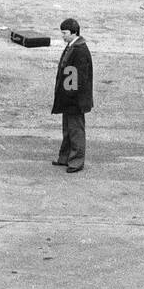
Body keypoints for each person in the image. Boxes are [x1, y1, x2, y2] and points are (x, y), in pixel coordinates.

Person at [51, 18, 93, 173]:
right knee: (68, 130)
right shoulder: (73, 46)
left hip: (74, 100)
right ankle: (65, 158)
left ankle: (76, 162)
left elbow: (78, 78)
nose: (63, 36)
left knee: (75, 130)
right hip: (69, 98)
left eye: (65, 33)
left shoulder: (79, 50)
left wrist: (68, 96)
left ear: (73, 32)